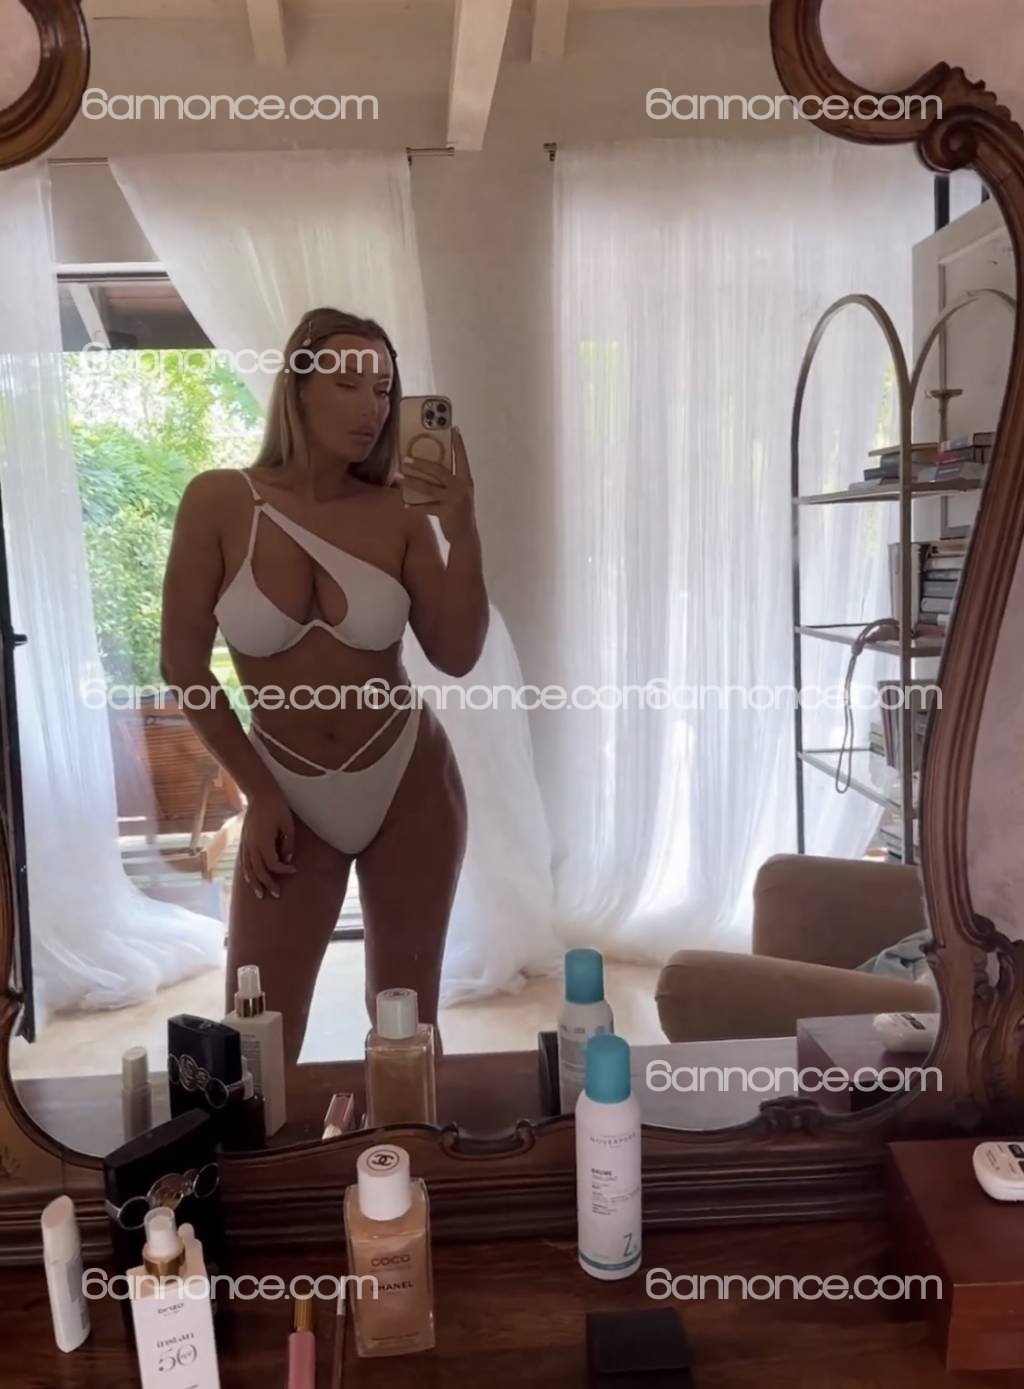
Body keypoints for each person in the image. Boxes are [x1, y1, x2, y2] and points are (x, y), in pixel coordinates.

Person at [161, 306, 488, 1063]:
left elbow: (457, 654)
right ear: (298, 389)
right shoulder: (217, 501)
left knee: (408, 1029)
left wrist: (463, 528)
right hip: (284, 784)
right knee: (256, 1040)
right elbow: (183, 667)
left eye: (384, 389)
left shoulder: (400, 512)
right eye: (348, 384)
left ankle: (402, 1141)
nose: (372, 408)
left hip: (408, 778)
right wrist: (259, 793)